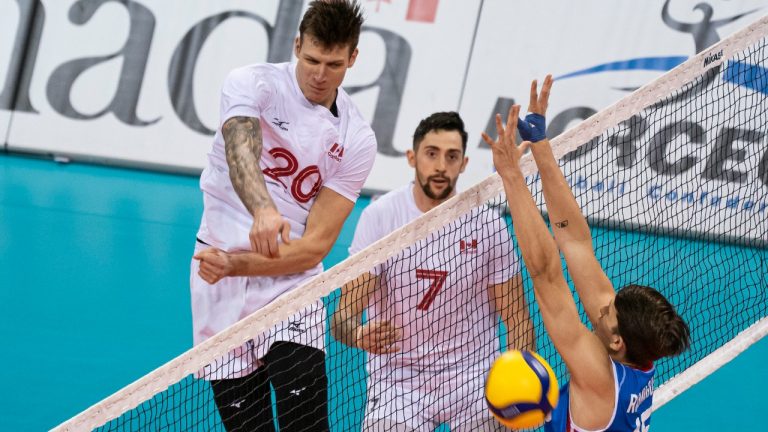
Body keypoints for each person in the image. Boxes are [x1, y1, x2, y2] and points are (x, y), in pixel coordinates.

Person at [190, 1, 376, 431]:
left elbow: (316, 245)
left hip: (290, 279)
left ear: (353, 58)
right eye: (311, 59)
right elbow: (241, 149)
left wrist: (243, 261)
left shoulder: (357, 138)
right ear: (296, 45)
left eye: (333, 64)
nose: (319, 74)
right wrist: (263, 210)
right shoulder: (252, 84)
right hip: (216, 272)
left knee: (306, 424)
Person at [483, 75, 690, 432]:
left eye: (609, 310)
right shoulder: (634, 347)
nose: (603, 303)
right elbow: (575, 241)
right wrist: (540, 143)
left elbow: (546, 273)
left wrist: (513, 178)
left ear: (616, 341)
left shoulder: (598, 377)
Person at [331, 111, 535, 432]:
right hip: (398, 379)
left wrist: (519, 377)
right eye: (431, 154)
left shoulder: (488, 224)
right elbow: (343, 317)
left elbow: (517, 319)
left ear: (464, 163)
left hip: (474, 374)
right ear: (412, 157)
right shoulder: (381, 218)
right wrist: (357, 335)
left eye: (452, 156)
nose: (441, 166)